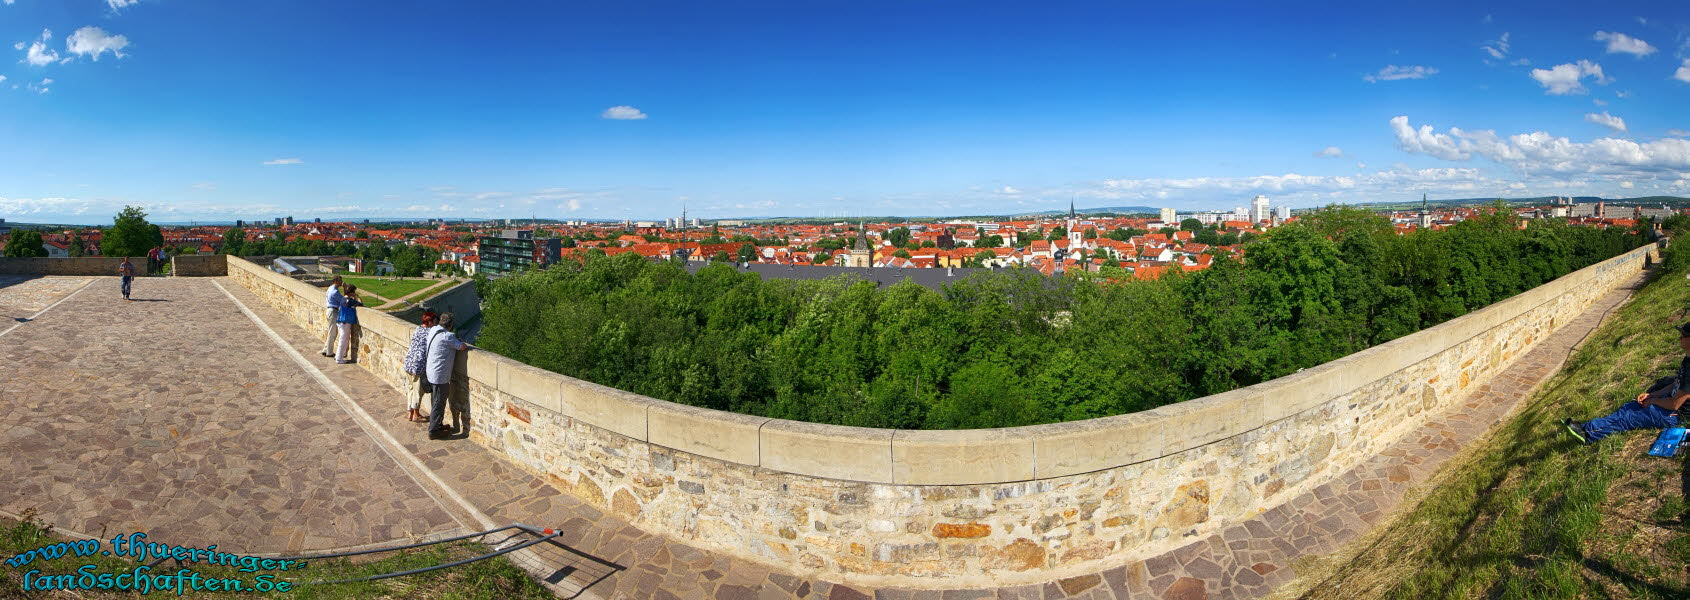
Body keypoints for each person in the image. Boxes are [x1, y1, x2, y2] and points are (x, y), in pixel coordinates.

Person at [1564, 322, 1690, 444]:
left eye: (1684, 335)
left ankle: (1588, 435)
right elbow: (1675, 384)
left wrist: (1653, 401)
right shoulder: (1687, 359)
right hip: (1668, 402)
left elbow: (1674, 404)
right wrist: (1652, 395)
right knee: (1629, 407)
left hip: (1675, 415)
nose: (1680, 337)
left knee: (1629, 419)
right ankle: (1586, 426)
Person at [422, 312, 469, 439]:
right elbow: (462, 347)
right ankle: (434, 431)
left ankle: (438, 425)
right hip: (440, 376)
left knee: (436, 401)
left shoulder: (433, 330)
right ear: (451, 324)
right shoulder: (447, 336)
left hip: (431, 372)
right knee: (439, 402)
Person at [401, 311, 439, 423]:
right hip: (418, 364)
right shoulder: (430, 332)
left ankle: (410, 412)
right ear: (430, 322)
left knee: (411, 389)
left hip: (408, 361)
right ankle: (416, 414)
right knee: (418, 390)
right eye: (435, 321)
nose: (436, 324)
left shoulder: (417, 328)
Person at [335, 285, 363, 364]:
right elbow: (361, 303)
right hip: (346, 323)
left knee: (343, 339)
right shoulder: (350, 301)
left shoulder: (343, 299)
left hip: (340, 321)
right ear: (351, 292)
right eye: (354, 291)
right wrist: (357, 296)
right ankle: (338, 358)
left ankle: (338, 356)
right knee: (343, 340)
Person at [319, 276, 344, 357]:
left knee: (331, 332)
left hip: (330, 311)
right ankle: (329, 352)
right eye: (340, 281)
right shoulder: (335, 292)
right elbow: (344, 301)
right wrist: (345, 288)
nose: (341, 282)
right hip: (333, 311)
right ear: (336, 281)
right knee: (332, 333)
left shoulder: (330, 288)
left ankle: (326, 349)